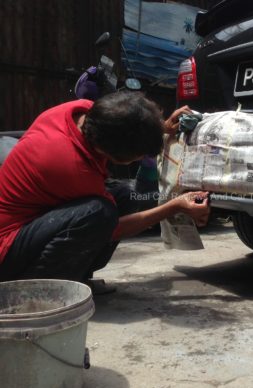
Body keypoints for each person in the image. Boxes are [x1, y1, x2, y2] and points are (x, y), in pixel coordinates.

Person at [0, 92, 210, 292]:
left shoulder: (82, 111)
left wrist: (159, 128)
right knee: (100, 214)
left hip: (33, 221)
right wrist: (173, 206)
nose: (138, 159)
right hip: (7, 251)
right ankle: (38, 291)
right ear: (106, 152)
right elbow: (112, 228)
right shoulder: (71, 167)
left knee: (124, 197)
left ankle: (78, 276)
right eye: (136, 156)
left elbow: (123, 126)